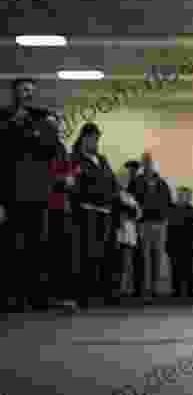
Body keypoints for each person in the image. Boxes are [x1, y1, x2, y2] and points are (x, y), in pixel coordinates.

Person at [0, 78, 62, 312]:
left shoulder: (40, 119)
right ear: (14, 92)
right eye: (23, 89)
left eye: (30, 90)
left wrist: (51, 129)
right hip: (11, 195)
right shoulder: (3, 118)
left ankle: (36, 296)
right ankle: (11, 298)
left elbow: (51, 151)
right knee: (11, 247)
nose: (27, 93)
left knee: (37, 247)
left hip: (37, 194)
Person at [70, 122, 121, 308]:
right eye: (92, 138)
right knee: (86, 255)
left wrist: (117, 197)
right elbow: (76, 187)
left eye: (97, 138)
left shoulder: (102, 159)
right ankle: (84, 295)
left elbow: (113, 183)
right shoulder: (75, 159)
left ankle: (101, 294)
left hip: (106, 213)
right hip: (87, 212)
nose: (95, 141)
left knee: (105, 255)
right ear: (84, 138)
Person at [45, 112, 81, 311]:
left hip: (63, 206)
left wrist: (71, 176)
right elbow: (46, 174)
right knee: (54, 252)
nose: (60, 126)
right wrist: (65, 178)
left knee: (62, 252)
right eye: (57, 123)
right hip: (51, 205)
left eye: (61, 123)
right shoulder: (48, 147)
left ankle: (60, 295)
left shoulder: (62, 147)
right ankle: (53, 296)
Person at [128, 152, 173, 301]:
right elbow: (130, 201)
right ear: (142, 164)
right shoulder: (136, 182)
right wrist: (136, 218)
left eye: (149, 161)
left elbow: (168, 202)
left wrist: (164, 218)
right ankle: (145, 290)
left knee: (157, 258)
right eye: (145, 161)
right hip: (143, 224)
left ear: (153, 164)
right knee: (144, 258)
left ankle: (154, 289)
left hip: (159, 225)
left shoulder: (161, 183)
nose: (147, 164)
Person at [166, 187, 193, 297]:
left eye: (184, 195)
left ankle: (190, 293)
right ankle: (176, 293)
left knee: (189, 271)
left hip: (190, 246)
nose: (182, 197)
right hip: (174, 246)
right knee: (175, 271)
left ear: (189, 197)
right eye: (180, 195)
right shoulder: (171, 210)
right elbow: (167, 228)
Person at [123, 160, 145, 298]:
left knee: (137, 257)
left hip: (138, 224)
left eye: (133, 170)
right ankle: (135, 288)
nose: (131, 172)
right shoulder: (131, 185)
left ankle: (137, 288)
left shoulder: (137, 184)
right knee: (134, 257)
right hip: (132, 223)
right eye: (130, 170)